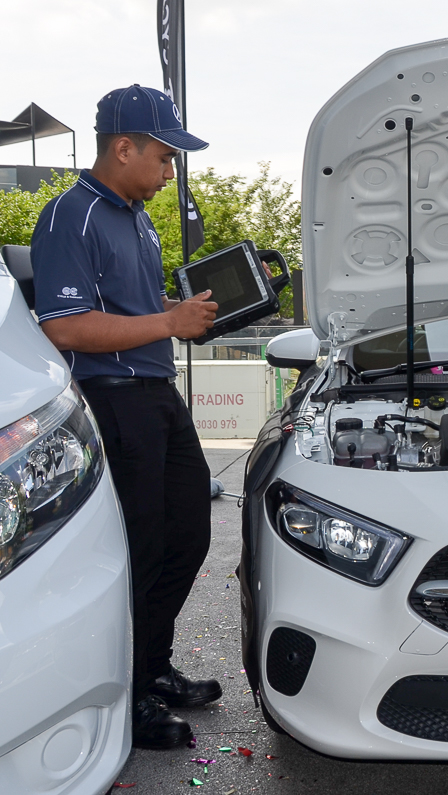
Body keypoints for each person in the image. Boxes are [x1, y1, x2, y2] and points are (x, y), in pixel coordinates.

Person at [31, 85, 222, 750]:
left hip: (156, 392)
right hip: (112, 398)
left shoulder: (138, 218)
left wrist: (180, 313)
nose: (170, 171)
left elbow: (131, 308)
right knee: (141, 548)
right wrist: (168, 322)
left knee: (188, 534)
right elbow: (63, 325)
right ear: (123, 148)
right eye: (165, 157)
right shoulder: (70, 215)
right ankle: (130, 693)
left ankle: (152, 665)